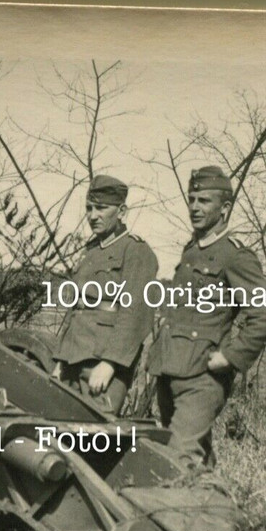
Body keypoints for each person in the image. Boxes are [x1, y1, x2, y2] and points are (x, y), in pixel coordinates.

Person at [147, 166, 266, 469]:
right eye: (192, 199)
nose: (194, 207)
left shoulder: (235, 256)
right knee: (192, 454)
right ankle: (212, 507)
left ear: (225, 208)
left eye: (204, 201)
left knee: (178, 460)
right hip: (171, 370)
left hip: (202, 378)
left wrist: (232, 356)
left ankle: (186, 513)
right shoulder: (191, 251)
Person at [52, 175, 159, 414]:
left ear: (122, 211)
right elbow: (77, 308)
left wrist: (110, 363)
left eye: (101, 208)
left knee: (95, 437)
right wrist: (60, 359)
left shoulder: (136, 251)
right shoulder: (92, 251)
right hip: (72, 359)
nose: (93, 215)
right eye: (89, 208)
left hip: (101, 364)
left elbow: (135, 313)